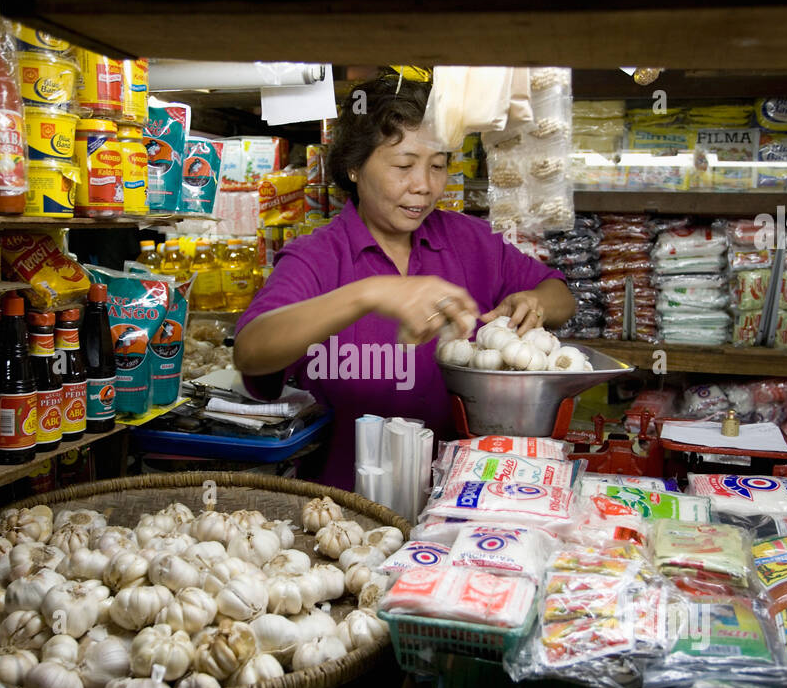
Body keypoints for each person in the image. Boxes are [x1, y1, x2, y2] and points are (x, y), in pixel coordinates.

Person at [234, 73, 575, 489]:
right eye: (404, 165)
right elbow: (251, 351)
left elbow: (558, 293)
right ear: (354, 167)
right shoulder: (317, 256)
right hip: (345, 509)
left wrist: (533, 303)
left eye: (437, 165)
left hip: (465, 498)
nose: (424, 187)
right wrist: (371, 293)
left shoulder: (470, 240)